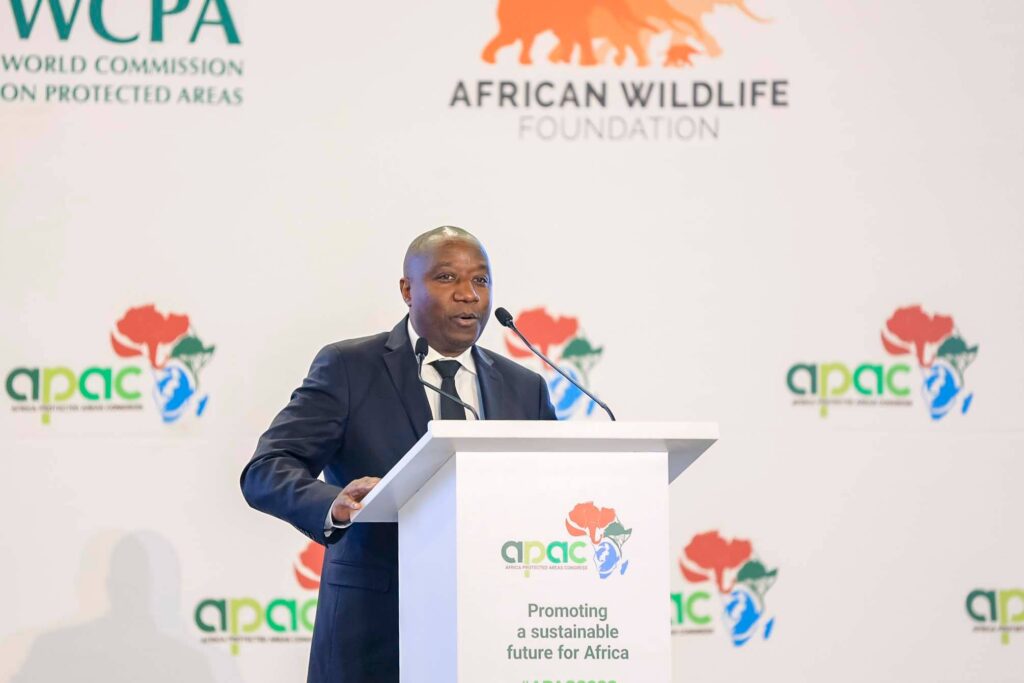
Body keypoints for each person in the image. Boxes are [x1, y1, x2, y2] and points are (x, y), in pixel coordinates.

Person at [240, 226, 558, 683]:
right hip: (374, 634)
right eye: (447, 278)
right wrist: (334, 504)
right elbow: (266, 469)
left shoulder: (525, 387)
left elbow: (552, 488)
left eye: (481, 280)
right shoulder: (350, 368)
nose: (468, 295)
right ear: (408, 290)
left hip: (493, 632)